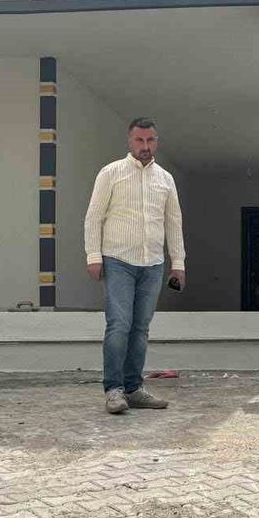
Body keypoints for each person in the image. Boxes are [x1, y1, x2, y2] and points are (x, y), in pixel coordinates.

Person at [84, 117, 186, 415]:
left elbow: (173, 222)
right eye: (139, 140)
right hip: (118, 259)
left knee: (140, 328)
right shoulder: (111, 173)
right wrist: (93, 256)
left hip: (152, 263)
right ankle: (114, 390)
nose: (145, 146)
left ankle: (134, 388)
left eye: (150, 140)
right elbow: (94, 216)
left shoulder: (165, 179)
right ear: (130, 141)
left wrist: (178, 263)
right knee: (119, 324)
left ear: (156, 142)